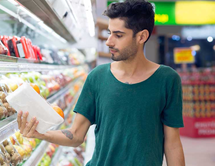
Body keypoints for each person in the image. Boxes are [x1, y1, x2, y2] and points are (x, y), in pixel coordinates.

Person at [17, 0, 185, 165]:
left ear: (142, 36)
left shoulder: (167, 80)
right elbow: (76, 135)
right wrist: (43, 134)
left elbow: (172, 143)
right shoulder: (97, 77)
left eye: (118, 35)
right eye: (109, 33)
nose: (109, 42)